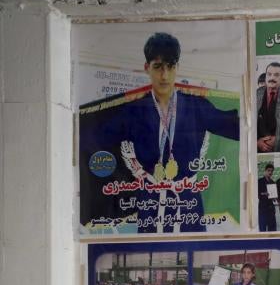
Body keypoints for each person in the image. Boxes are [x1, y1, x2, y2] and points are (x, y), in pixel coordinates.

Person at [87, 32, 240, 233]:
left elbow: (235, 127)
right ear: (147, 68)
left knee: (192, 251)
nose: (165, 75)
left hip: (188, 203)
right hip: (150, 203)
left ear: (177, 67)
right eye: (158, 67)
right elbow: (96, 136)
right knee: (150, 251)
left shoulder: (195, 106)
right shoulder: (134, 110)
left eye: (170, 66)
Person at [257, 162, 278, 232]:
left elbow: (274, 198)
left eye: (272, 171)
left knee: (272, 229)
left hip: (271, 208)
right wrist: (264, 193)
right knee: (262, 229)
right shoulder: (259, 181)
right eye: (268, 170)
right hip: (263, 208)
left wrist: (275, 197)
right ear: (265, 171)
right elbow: (257, 194)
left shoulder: (273, 182)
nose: (270, 172)